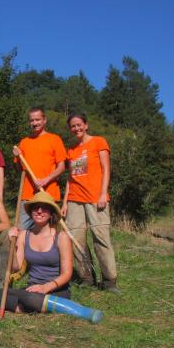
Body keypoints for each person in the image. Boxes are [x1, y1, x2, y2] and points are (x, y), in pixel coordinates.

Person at [0, 191, 102, 323]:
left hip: (56, 290)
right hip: (32, 289)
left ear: (51, 213)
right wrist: (12, 244)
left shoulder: (61, 237)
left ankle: (82, 312)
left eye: (44, 208)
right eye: (36, 207)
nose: (39, 211)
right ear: (31, 211)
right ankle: (34, 307)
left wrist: (45, 288)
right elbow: (15, 267)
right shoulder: (23, 235)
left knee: (29, 298)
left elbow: (67, 274)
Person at [60, 113, 119, 293]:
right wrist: (65, 202)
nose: (76, 128)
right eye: (73, 126)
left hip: (95, 198)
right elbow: (70, 178)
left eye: (79, 125)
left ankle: (109, 281)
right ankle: (87, 277)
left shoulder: (99, 142)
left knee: (100, 238)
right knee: (76, 239)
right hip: (75, 200)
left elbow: (106, 168)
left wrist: (103, 194)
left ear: (86, 125)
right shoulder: (71, 150)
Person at [12, 107, 67, 230]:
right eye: (32, 120)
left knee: (50, 233)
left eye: (38, 119)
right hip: (27, 195)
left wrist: (45, 180)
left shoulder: (54, 139)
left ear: (44, 120)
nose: (35, 123)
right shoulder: (24, 142)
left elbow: (62, 167)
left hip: (48, 194)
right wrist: (17, 157)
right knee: (22, 231)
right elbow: (20, 170)